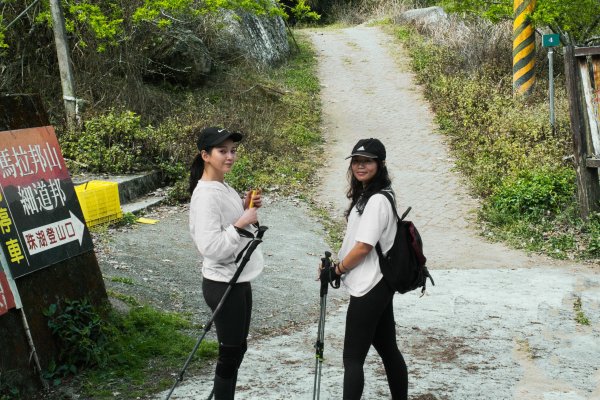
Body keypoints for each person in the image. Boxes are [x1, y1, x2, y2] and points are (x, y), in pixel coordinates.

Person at [320, 138, 408, 400]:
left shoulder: (377, 201)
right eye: (357, 161)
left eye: (367, 161)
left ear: (379, 165)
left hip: (370, 284)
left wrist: (336, 270)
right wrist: (335, 264)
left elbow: (363, 247)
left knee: (352, 358)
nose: (360, 166)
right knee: (387, 348)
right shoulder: (368, 195)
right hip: (377, 282)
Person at [188, 126, 264, 399]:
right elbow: (210, 247)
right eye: (223, 151)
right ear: (205, 155)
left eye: (233, 151)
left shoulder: (221, 186)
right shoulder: (206, 194)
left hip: (238, 278)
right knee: (229, 354)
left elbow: (227, 227)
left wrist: (244, 208)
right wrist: (242, 222)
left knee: (238, 349)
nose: (230, 156)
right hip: (222, 283)